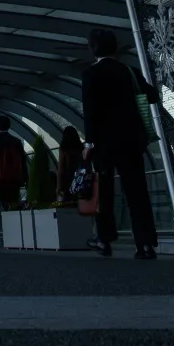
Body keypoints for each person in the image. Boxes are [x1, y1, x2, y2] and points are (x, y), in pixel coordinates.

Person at [80, 28, 159, 260]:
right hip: (132, 141)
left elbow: (90, 111)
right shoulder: (129, 71)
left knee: (104, 192)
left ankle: (104, 240)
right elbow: (152, 95)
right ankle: (145, 244)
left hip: (104, 144)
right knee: (137, 192)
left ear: (92, 48)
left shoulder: (90, 74)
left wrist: (89, 143)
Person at [0, 116, 27, 212]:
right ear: (9, 125)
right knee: (14, 201)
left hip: (0, 178)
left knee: (3, 201)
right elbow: (22, 160)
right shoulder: (16, 141)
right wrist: (25, 177)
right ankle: (14, 218)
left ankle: (6, 219)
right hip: (15, 177)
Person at [58, 126, 83, 205]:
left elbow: (60, 169)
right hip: (80, 178)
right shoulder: (81, 148)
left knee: (68, 205)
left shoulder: (64, 148)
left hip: (67, 180)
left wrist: (58, 187)